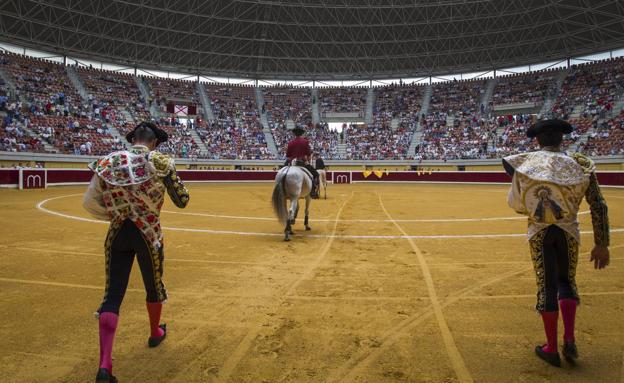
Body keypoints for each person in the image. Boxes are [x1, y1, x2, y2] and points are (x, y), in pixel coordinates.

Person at [83, 122, 190, 382]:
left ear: (133, 139)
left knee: (112, 295)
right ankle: (155, 332)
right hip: (149, 235)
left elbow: (89, 203)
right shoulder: (161, 162)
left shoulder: (110, 161)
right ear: (154, 143)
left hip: (118, 233)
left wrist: (117, 215)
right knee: (153, 287)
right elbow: (182, 200)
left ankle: (105, 366)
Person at [503, 119, 610, 367]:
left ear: (537, 140)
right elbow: (599, 205)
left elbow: (516, 204)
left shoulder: (524, 163)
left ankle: (551, 347)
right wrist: (601, 243)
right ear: (562, 138)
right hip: (569, 231)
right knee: (566, 281)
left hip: (539, 232)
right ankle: (569, 339)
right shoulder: (580, 164)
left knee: (546, 286)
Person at [285, 126, 319, 198]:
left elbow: (288, 155)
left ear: (294, 134)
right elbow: (308, 154)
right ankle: (312, 191)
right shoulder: (305, 142)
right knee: (315, 174)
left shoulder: (290, 143)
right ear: (301, 134)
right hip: (302, 163)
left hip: (292, 163)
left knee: (283, 172)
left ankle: (283, 191)